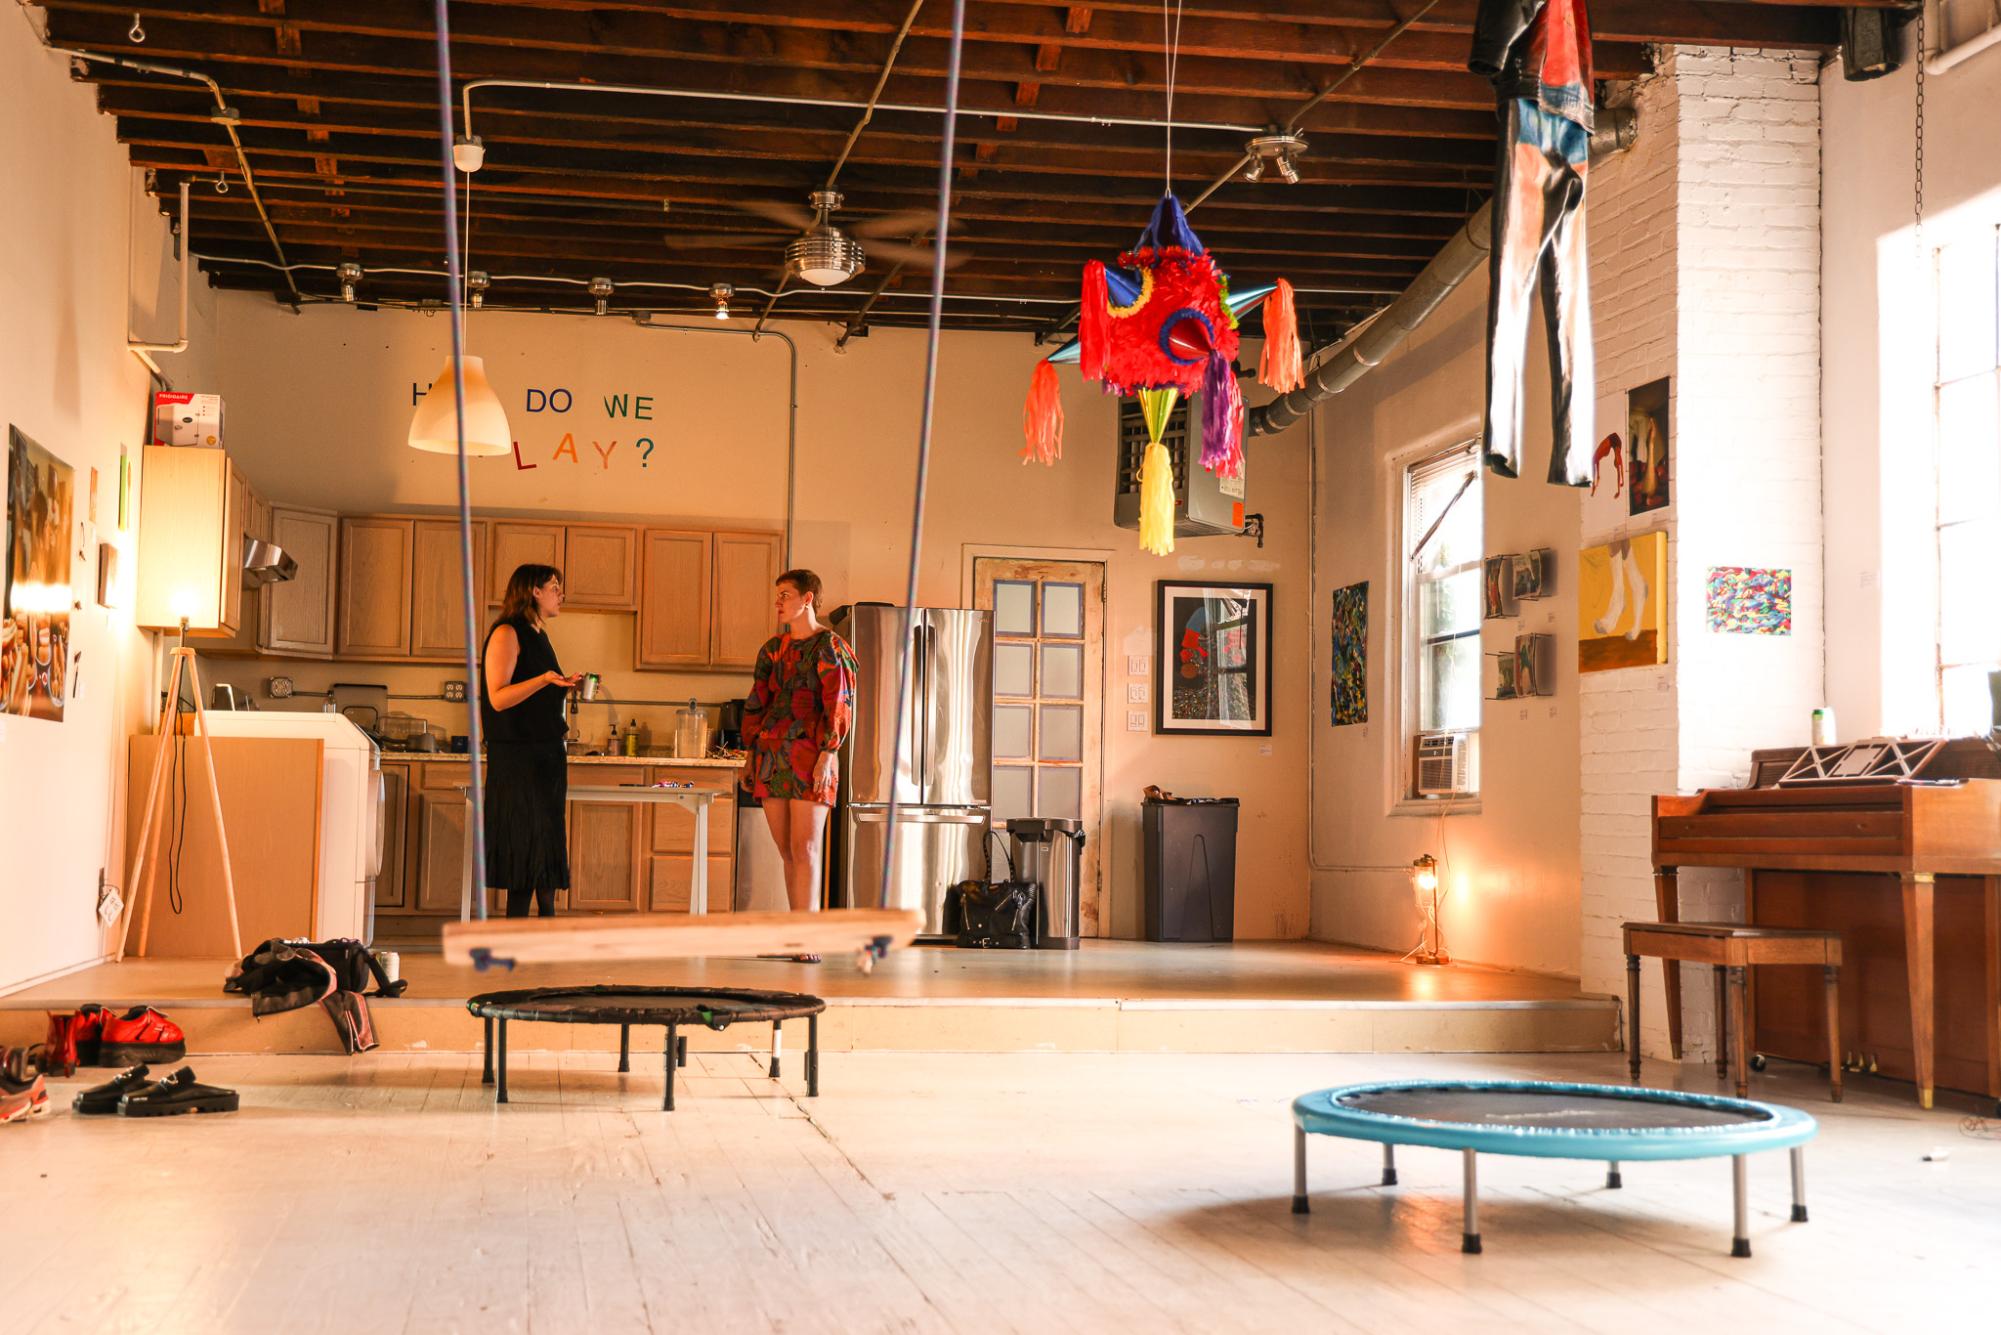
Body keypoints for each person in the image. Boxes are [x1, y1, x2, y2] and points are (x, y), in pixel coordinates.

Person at [739, 569, 859, 929]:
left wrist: (829, 754)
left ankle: (808, 937)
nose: (778, 601)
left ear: (807, 598)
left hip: (812, 755)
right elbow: (757, 703)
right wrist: (749, 756)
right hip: (771, 757)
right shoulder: (772, 650)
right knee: (788, 853)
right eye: (777, 594)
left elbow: (839, 702)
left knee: (806, 850)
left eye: (786, 594)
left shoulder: (831, 647)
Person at [480, 563, 582, 918]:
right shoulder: (508, 632)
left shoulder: (539, 634)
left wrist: (561, 683)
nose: (561, 594)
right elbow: (498, 697)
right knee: (523, 843)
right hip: (518, 757)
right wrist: (543, 679)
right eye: (555, 586)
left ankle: (546, 923)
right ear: (534, 591)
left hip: (545, 755)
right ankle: (517, 928)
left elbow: (536, 690)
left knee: (546, 841)